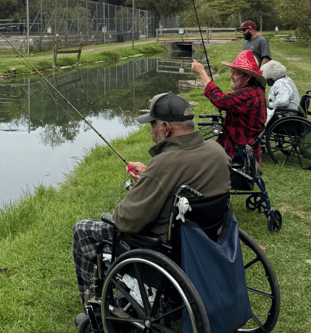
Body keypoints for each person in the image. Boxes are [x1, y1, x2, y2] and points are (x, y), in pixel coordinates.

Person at [72, 92, 231, 323]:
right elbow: (187, 184)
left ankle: (91, 307)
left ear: (166, 128)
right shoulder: (217, 152)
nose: (150, 131)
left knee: (83, 229)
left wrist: (146, 183)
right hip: (205, 241)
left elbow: (125, 220)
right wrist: (150, 176)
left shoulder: (164, 163)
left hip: (163, 247)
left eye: (153, 125)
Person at [191, 50, 267, 164]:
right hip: (248, 149)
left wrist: (202, 72)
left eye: (235, 73)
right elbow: (228, 102)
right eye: (231, 72)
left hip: (238, 152)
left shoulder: (247, 95)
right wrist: (227, 106)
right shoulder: (257, 91)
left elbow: (220, 99)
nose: (231, 76)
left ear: (247, 77)